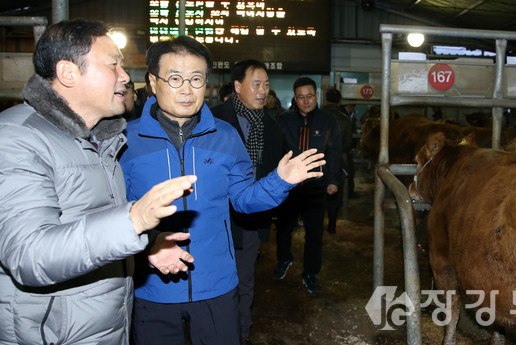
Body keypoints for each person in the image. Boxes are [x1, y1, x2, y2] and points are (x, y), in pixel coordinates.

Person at [0, 19, 197, 345]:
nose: (124, 76)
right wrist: (133, 221)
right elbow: (28, 254)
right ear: (68, 73)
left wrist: (145, 243)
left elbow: (89, 227)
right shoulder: (17, 138)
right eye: (113, 64)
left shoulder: (101, 141)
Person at [119, 36, 325, 345]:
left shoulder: (225, 136)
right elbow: (112, 210)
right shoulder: (125, 141)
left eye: (196, 79)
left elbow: (244, 200)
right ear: (152, 81)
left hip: (216, 283)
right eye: (175, 79)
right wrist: (147, 246)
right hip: (152, 287)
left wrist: (279, 180)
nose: (187, 90)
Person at [211, 59, 279, 345]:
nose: (263, 90)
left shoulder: (272, 126)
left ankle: (241, 333)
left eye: (265, 84)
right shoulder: (212, 120)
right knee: (214, 279)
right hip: (214, 216)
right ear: (238, 86)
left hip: (250, 218)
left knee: (244, 279)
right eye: (256, 84)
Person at [273, 77, 342, 294]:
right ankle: (284, 259)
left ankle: (311, 274)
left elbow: (334, 152)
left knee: (314, 233)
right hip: (289, 187)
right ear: (295, 98)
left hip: (316, 186)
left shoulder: (328, 121)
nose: (305, 101)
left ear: (317, 96)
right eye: (301, 97)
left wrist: (332, 180)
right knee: (283, 228)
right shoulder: (283, 120)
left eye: (309, 96)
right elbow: (277, 151)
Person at [321, 87, 352, 234]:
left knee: (317, 193)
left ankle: (315, 224)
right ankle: (332, 226)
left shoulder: (317, 116)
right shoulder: (345, 119)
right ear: (339, 102)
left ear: (325, 99)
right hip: (338, 160)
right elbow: (347, 143)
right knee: (335, 195)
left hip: (317, 160)